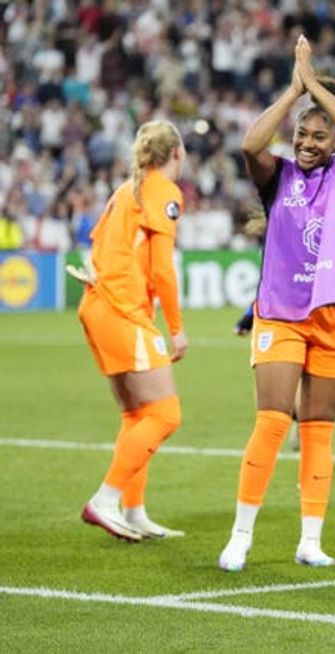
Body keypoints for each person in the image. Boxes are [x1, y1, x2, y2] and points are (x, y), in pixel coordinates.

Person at [217, 35, 335, 571]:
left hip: (334, 315)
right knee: (272, 421)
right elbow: (250, 145)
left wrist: (318, 91)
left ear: (332, 143)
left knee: (318, 429)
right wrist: (294, 89)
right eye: (302, 133)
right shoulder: (277, 175)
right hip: (281, 311)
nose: (306, 141)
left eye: (317, 135)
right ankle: (241, 534)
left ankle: (310, 539)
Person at [76, 119, 188, 542]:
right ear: (176, 153)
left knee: (137, 413)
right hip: (122, 310)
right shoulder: (163, 192)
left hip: (99, 306)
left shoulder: (125, 191)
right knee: (165, 413)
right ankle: (105, 499)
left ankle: (133, 510)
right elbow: (162, 267)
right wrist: (176, 329)